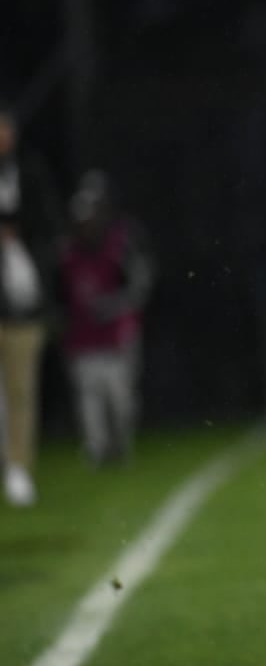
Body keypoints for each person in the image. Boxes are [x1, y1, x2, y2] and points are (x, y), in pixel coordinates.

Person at [59, 171, 155, 466]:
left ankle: (120, 444)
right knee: (89, 397)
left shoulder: (122, 240)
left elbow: (142, 283)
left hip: (116, 332)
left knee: (120, 398)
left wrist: (115, 306)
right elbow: (59, 293)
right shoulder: (66, 251)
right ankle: (97, 448)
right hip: (84, 336)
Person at [0, 103, 65, 508]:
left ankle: (19, 469)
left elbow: (52, 233)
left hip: (23, 306)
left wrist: (18, 241)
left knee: (22, 391)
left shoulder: (32, 174)